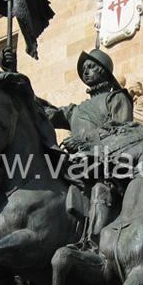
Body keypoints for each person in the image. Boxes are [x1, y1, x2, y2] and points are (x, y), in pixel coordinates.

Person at [41, 49, 134, 241]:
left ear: (103, 70)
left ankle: (97, 240)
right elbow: (45, 113)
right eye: (83, 69)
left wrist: (83, 141)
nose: (86, 72)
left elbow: (123, 130)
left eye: (90, 67)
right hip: (76, 169)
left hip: (106, 167)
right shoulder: (74, 111)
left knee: (101, 190)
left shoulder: (117, 98)